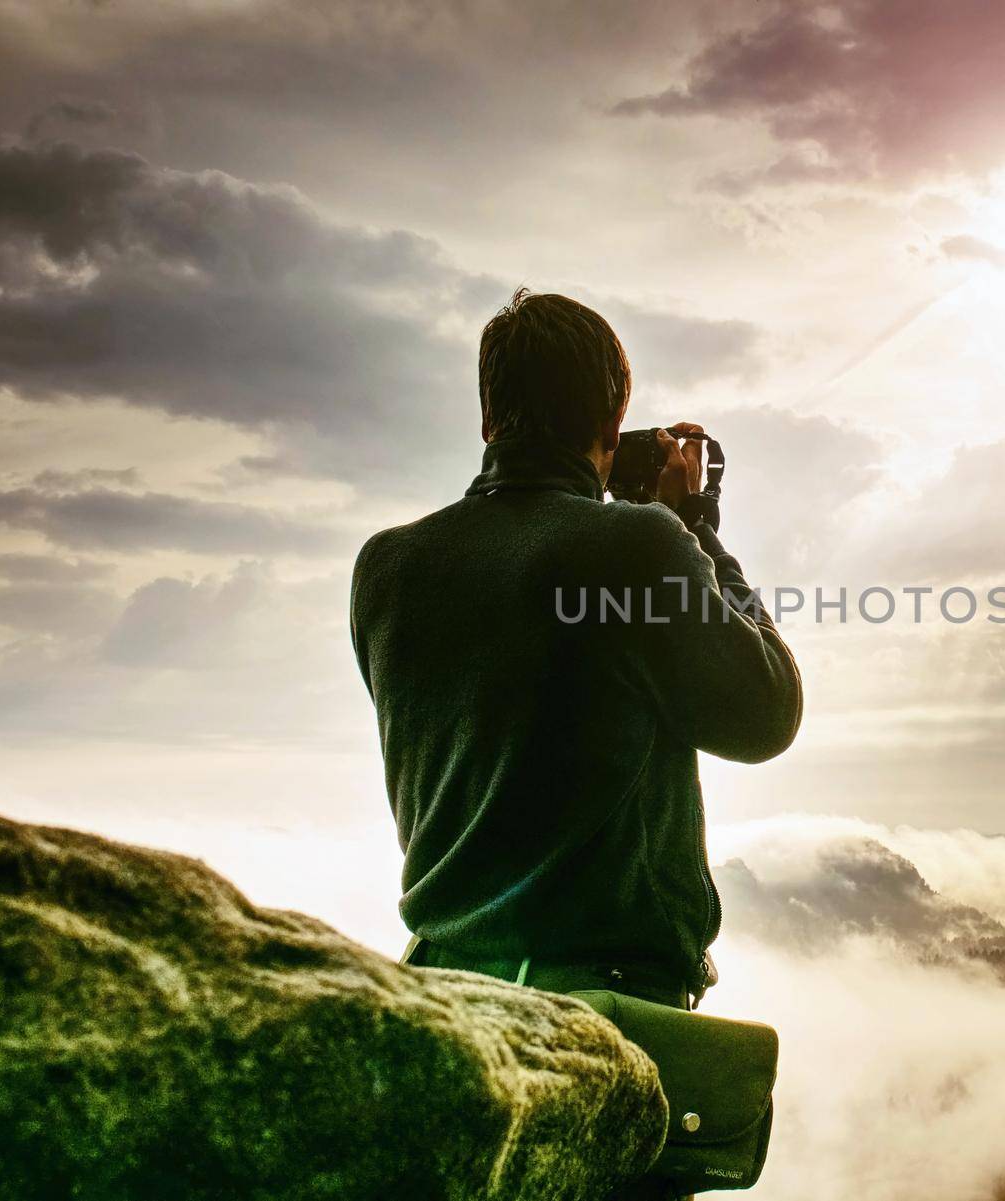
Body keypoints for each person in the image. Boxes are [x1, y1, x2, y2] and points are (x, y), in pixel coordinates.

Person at [348, 289, 802, 1196]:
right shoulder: (637, 545)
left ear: (487, 413)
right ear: (612, 414)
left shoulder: (387, 567)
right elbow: (767, 712)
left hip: (450, 1003)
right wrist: (695, 528)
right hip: (602, 1022)